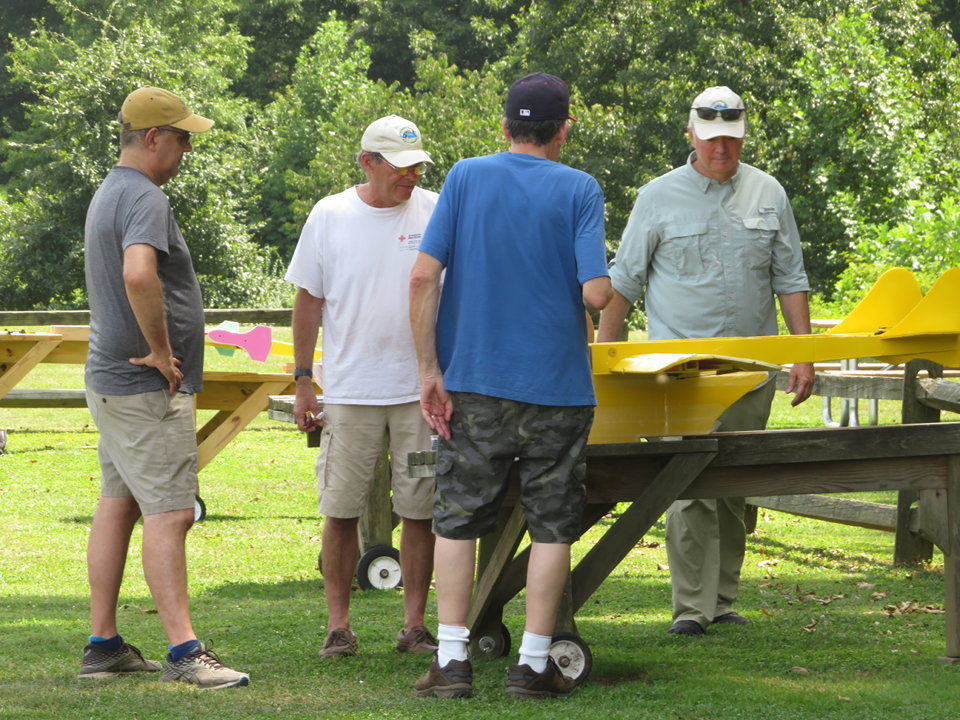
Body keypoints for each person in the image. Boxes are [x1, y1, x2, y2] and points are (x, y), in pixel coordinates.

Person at [410, 72, 612, 699]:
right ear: (564, 129)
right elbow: (597, 294)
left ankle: (451, 662)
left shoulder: (466, 177)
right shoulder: (582, 189)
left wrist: (428, 371)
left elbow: (422, 279)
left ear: (504, 127)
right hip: (558, 387)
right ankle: (530, 664)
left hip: (473, 382)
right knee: (553, 525)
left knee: (457, 520)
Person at [597, 85, 815, 636]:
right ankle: (691, 609)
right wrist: (603, 355)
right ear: (691, 133)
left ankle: (724, 600)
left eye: (732, 139)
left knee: (735, 485)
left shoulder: (769, 193)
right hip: (679, 371)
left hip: (751, 369)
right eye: (713, 138)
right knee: (688, 486)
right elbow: (623, 284)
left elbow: (790, 279)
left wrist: (803, 355)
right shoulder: (657, 196)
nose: (723, 149)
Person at [80, 86, 248, 688]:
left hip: (111, 381)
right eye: (182, 137)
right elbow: (137, 271)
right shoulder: (145, 196)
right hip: (144, 389)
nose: (187, 149)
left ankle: (103, 645)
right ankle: (185, 653)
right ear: (152, 138)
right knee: (171, 513)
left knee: (118, 505)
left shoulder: (109, 191)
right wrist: (159, 349)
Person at [286, 115, 440, 659]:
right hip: (350, 390)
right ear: (367, 162)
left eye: (417, 164)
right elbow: (309, 301)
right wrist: (305, 380)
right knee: (341, 507)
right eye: (399, 166)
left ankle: (415, 625)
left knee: (422, 508)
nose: (411, 176)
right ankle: (338, 627)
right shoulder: (330, 215)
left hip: (419, 392)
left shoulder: (436, 208)